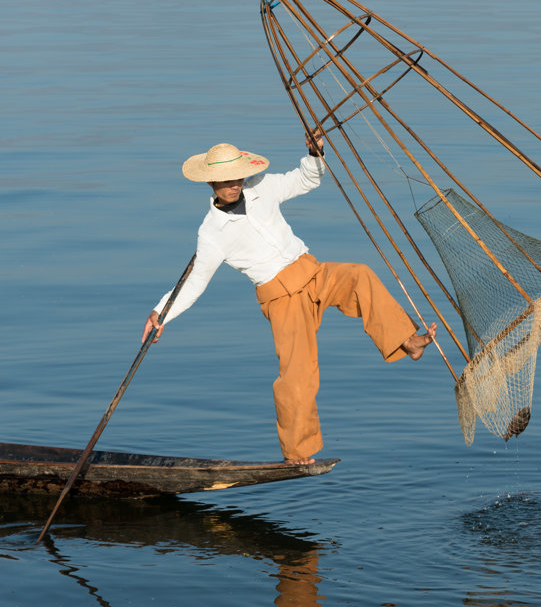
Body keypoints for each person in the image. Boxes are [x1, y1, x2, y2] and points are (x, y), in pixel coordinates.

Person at [143, 134, 436, 464]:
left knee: (360, 275)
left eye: (236, 177)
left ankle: (407, 342)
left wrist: (314, 154)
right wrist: (161, 313)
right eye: (225, 181)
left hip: (311, 272)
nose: (233, 186)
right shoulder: (212, 232)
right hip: (282, 298)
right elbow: (195, 284)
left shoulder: (260, 187)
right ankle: (297, 452)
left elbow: (306, 179)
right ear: (211, 182)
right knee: (298, 375)